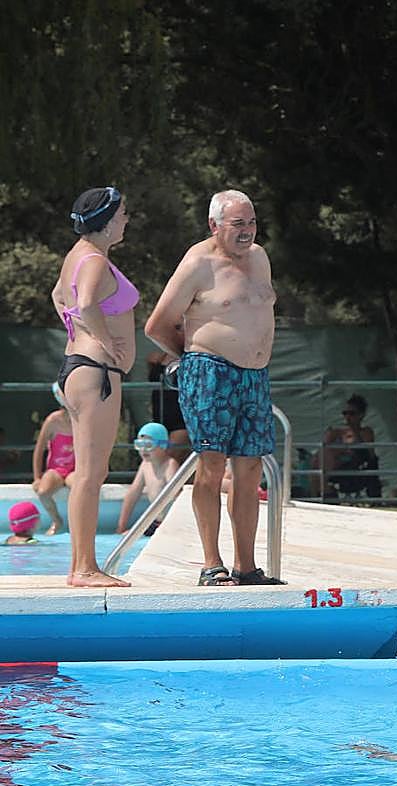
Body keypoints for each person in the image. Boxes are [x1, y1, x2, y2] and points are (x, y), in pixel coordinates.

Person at [144, 189, 284, 586]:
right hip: (211, 373)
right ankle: (211, 563)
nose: (247, 231)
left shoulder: (259, 257)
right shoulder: (198, 263)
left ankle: (247, 566)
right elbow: (157, 324)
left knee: (250, 469)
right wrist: (191, 362)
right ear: (214, 225)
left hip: (255, 376)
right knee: (211, 466)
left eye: (252, 222)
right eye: (237, 224)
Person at [50, 186, 136, 587]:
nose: (126, 220)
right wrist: (101, 339)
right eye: (122, 214)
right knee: (90, 474)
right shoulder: (95, 261)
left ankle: (81, 566)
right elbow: (84, 303)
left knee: (89, 472)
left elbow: (58, 296)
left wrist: (78, 331)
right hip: (95, 370)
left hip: (79, 368)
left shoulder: (77, 256)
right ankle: (83, 568)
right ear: (105, 220)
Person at [116, 423, 180, 536]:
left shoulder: (170, 465)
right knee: (127, 536)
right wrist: (121, 526)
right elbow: (132, 495)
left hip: (171, 523)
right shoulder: (145, 465)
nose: (143, 449)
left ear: (163, 445)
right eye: (139, 445)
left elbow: (176, 495)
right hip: (156, 523)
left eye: (148, 444)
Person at [322, 394, 381, 499]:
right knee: (320, 458)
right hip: (338, 468)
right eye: (345, 413)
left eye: (352, 414)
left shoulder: (366, 432)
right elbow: (326, 449)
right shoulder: (336, 432)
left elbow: (369, 455)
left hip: (357, 469)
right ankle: (321, 494)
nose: (347, 417)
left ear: (361, 415)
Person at [30, 407, 75, 536]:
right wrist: (37, 477)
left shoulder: (83, 418)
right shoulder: (53, 420)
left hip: (75, 469)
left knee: (80, 488)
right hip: (55, 469)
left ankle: (76, 523)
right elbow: (39, 450)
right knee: (43, 492)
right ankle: (56, 520)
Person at [146, 349, 190, 463]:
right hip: (159, 417)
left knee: (169, 457)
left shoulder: (190, 356)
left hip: (181, 418)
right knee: (154, 458)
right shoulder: (158, 356)